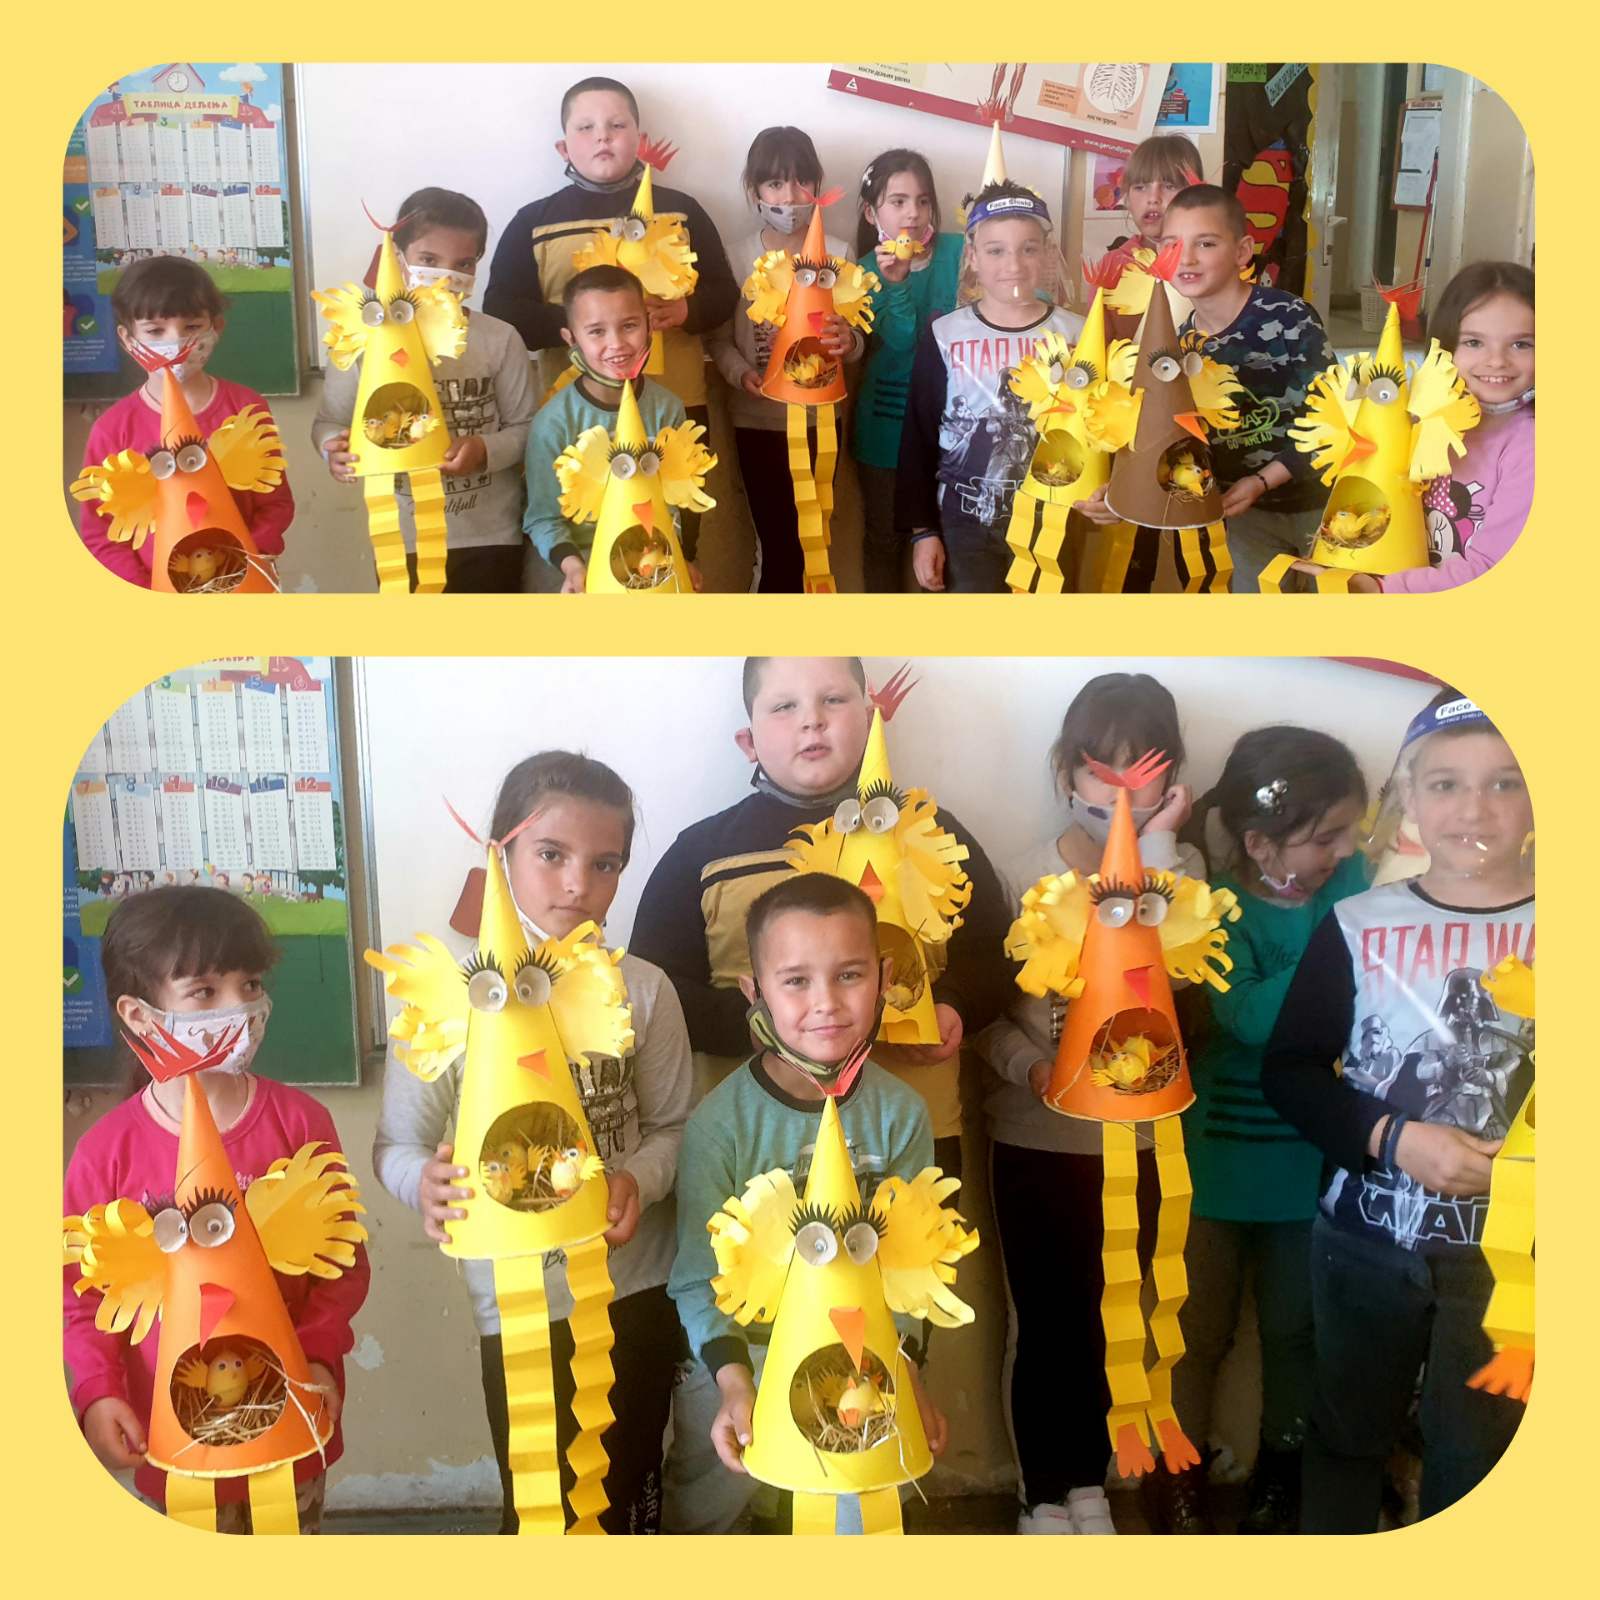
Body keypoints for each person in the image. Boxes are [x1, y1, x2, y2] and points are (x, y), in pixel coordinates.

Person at [372, 752, 692, 1533]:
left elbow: (672, 1126)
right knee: (539, 1499)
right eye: (551, 854)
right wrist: (423, 1184)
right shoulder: (450, 995)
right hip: (518, 1301)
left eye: (604, 863)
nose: (577, 883)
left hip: (633, 1289)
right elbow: (396, 1145)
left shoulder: (644, 989)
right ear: (501, 853)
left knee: (628, 1484)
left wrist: (638, 1182)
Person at [1263, 693, 1533, 1530]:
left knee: (1479, 1453)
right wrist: (1393, 1139)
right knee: (1345, 1437)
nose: (1474, 809)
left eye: (1505, 782)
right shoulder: (1357, 924)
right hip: (1363, 1243)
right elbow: (1291, 1072)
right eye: (1446, 784)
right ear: (1410, 797)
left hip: (1516, 1260)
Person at [629, 656, 1013, 1173]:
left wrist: (955, 1006)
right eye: (784, 707)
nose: (812, 720)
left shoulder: (934, 836)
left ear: (871, 718)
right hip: (753, 1144)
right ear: (748, 741)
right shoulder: (701, 855)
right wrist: (753, 1025)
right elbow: (654, 993)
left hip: (912, 1138)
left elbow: (997, 953)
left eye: (833, 700)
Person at [62, 886, 368, 1532]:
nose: (239, 1006)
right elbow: (81, 1295)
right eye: (204, 991)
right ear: (140, 1016)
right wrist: (97, 1391)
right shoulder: (105, 1152)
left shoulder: (299, 1123)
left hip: (290, 1424)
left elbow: (341, 1264)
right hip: (170, 1440)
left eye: (249, 984)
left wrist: (317, 1354)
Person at [975, 673, 1197, 1536]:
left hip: (1140, 1146)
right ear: (1067, 770)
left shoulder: (1183, 874)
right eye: (1102, 770)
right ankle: (1042, 1493)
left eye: (1145, 771)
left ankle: (1088, 1485)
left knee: (1116, 1315)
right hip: (1038, 1138)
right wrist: (1032, 1067)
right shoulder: (1024, 874)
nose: (1121, 790)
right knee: (1047, 1321)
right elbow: (986, 1013)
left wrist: (1161, 855)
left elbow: (1185, 994)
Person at [662, 874, 946, 1533]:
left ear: (883, 978)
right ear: (755, 993)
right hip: (740, 1354)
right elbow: (698, 1279)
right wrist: (735, 1383)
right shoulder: (719, 1126)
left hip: (861, 1360)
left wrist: (906, 1372)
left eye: (849, 975)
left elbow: (914, 1270)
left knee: (865, 1503)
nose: (827, 1003)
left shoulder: (902, 1116)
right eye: (795, 981)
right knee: (710, 1500)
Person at [1167, 727, 1370, 1533]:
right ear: (1259, 844)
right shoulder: (1217, 908)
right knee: (1198, 1329)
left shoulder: (1351, 885)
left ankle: (1282, 1475)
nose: (1344, 851)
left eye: (1350, 833)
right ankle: (1178, 1474)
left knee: (1294, 1331)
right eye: (1327, 837)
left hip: (1308, 1160)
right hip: (1217, 1160)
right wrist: (1333, 941)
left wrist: (1346, 908)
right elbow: (1250, 1018)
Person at [483, 76, 736, 565]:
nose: (603, 136)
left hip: (675, 403)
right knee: (581, 525)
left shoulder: (683, 211)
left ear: (639, 137)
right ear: (563, 146)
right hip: (576, 413)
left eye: (617, 125)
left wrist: (687, 310)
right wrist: (581, 322)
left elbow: (726, 293)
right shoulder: (534, 221)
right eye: (586, 127)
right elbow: (501, 309)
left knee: (673, 525)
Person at [312, 187, 535, 593]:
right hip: (402, 536)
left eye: (463, 264)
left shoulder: (499, 339)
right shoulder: (360, 338)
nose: (446, 278)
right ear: (398, 258)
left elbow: (527, 428)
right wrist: (333, 449)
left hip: (491, 534)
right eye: (429, 261)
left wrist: (484, 449)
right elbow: (330, 421)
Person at [897, 180, 1083, 592]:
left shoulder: (1078, 334)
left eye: (1028, 249)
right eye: (996, 250)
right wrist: (923, 531)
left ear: (1046, 254)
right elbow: (918, 436)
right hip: (964, 527)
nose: (1013, 264)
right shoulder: (945, 335)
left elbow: (1099, 430)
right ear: (973, 257)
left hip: (1052, 524)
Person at [78, 256, 294, 587]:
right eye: (155, 330)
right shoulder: (112, 429)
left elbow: (275, 503)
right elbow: (100, 533)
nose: (175, 342)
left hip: (244, 584)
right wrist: (146, 589)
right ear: (128, 338)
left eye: (191, 327)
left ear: (215, 327)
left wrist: (246, 562)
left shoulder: (246, 408)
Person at [708, 127, 862, 592]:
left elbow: (857, 338)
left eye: (801, 181)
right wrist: (741, 374)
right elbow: (718, 341)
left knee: (813, 541)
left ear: (817, 185)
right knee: (774, 543)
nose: (790, 196)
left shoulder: (840, 254)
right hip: (757, 421)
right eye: (775, 183)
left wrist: (849, 342)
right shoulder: (735, 257)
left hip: (821, 423)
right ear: (754, 190)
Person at [1159, 185, 1334, 592]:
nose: (1186, 258)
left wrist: (1263, 480)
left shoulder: (1289, 317)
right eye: (1172, 245)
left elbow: (1330, 420)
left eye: (1205, 243)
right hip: (1245, 517)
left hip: (1321, 503)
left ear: (1242, 252)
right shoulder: (1179, 347)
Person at [522, 266, 698, 592]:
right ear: (571, 340)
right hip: (576, 564)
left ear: (649, 326)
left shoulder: (668, 408)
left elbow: (673, 500)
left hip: (649, 564)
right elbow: (542, 517)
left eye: (629, 326)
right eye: (597, 332)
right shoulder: (553, 422)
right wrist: (574, 568)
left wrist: (676, 554)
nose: (616, 344)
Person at [1364, 262, 1534, 593]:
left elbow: (1491, 570)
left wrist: (1379, 589)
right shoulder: (1423, 419)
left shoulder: (1530, 448)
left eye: (1521, 344)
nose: (1496, 360)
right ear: (1444, 346)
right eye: (1474, 342)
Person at [852, 150, 963, 592]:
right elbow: (903, 343)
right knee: (885, 540)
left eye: (922, 200)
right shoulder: (864, 272)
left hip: (954, 427)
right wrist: (896, 284)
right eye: (898, 202)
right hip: (887, 431)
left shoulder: (962, 250)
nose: (913, 213)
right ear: (870, 212)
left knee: (946, 546)